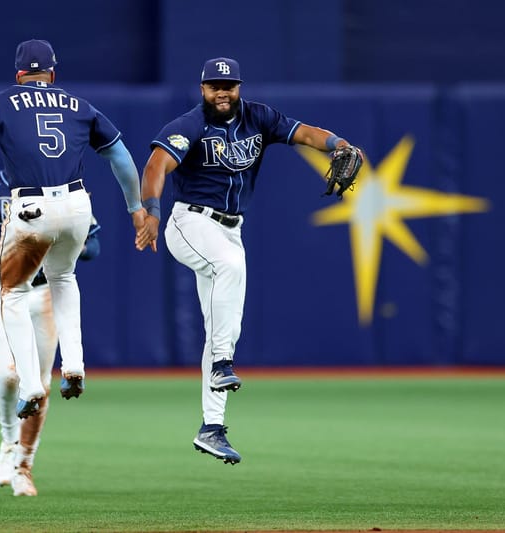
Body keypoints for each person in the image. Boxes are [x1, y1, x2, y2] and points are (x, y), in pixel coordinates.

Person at [136, 57, 362, 465]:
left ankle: (211, 427)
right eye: (214, 86)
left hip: (229, 230)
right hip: (189, 222)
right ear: (201, 89)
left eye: (230, 85)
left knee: (219, 317)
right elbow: (157, 165)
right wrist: (151, 210)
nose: (222, 92)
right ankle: (224, 361)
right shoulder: (190, 125)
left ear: (239, 86)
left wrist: (340, 145)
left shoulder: (259, 117)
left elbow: (307, 133)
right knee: (231, 269)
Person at [0, 38, 147, 419]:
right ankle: (74, 366)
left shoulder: (2, 101)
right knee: (64, 277)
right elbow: (119, 154)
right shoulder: (79, 104)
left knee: (13, 293)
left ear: (19, 74)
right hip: (77, 205)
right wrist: (136, 208)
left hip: (32, 206)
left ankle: (31, 383)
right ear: (52, 73)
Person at [0, 170, 101, 497]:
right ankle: (8, 440)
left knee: (39, 385)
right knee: (8, 374)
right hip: (1, 287)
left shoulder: (58, 189)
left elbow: (93, 241)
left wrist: (73, 246)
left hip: (44, 291)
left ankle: (23, 467)